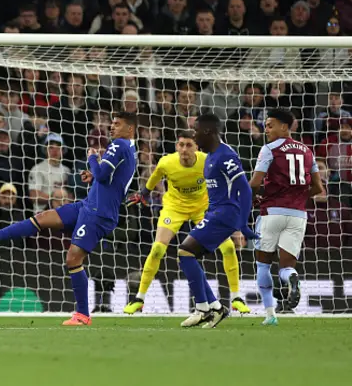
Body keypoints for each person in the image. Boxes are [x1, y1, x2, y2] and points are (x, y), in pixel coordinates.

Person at [0, 112, 138, 326]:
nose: (112, 128)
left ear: (130, 129)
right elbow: (109, 178)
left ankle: (83, 314)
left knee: (73, 259)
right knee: (43, 217)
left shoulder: (119, 144)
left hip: (98, 212)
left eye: (117, 124)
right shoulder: (130, 149)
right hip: (89, 205)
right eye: (111, 124)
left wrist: (93, 158)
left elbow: (102, 175)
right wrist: (94, 174)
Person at [123, 130, 250, 315]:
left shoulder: (208, 161)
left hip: (203, 209)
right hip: (174, 207)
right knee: (158, 248)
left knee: (229, 247)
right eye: (181, 145)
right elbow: (155, 177)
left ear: (197, 147)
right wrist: (143, 193)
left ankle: (236, 297)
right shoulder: (167, 162)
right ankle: (139, 299)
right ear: (176, 146)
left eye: (189, 145)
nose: (184, 150)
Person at [177, 113, 256, 328]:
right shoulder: (210, 156)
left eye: (196, 132)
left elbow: (245, 190)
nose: (194, 136)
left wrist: (242, 223)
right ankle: (214, 306)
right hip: (215, 213)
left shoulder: (225, 156)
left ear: (208, 132)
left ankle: (204, 308)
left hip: (225, 214)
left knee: (185, 251)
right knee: (187, 254)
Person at [249, 109, 323, 326]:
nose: (266, 129)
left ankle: (270, 315)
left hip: (272, 212)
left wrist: (250, 200)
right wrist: (299, 197)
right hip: (298, 215)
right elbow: (318, 187)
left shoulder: (269, 149)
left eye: (270, 125)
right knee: (286, 267)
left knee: (263, 265)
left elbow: (255, 183)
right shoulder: (307, 151)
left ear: (285, 127)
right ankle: (292, 278)